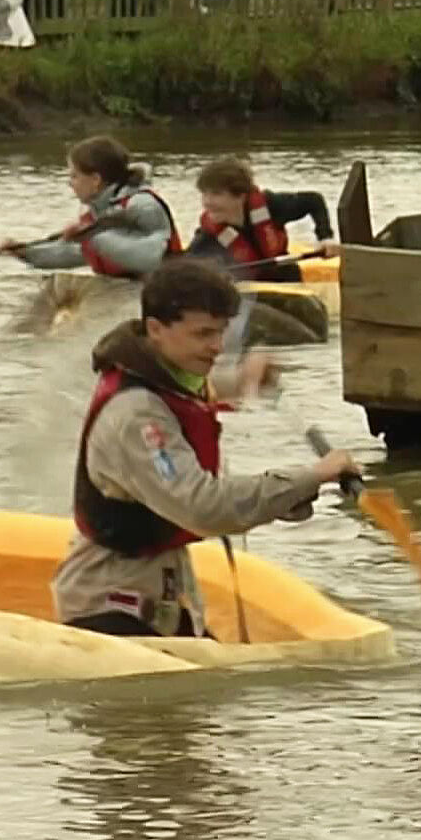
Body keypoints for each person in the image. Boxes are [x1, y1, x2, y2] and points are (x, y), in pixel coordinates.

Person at [54, 257, 359, 638]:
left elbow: (194, 394)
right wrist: (311, 476)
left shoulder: (162, 373)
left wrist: (243, 379)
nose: (216, 347)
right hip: (107, 610)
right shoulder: (137, 417)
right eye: (203, 334)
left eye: (220, 332)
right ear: (156, 328)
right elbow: (202, 507)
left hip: (158, 597)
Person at [6, 135, 180, 279]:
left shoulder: (143, 205)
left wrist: (91, 237)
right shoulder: (97, 213)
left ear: (96, 180)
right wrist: (25, 253)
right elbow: (73, 253)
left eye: (74, 176)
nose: (70, 183)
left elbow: (151, 258)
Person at [186, 157, 340, 282]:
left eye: (216, 194)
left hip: (288, 283)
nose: (207, 202)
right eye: (204, 194)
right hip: (251, 295)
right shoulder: (208, 235)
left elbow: (314, 201)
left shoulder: (271, 205)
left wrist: (325, 238)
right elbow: (187, 267)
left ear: (241, 196)